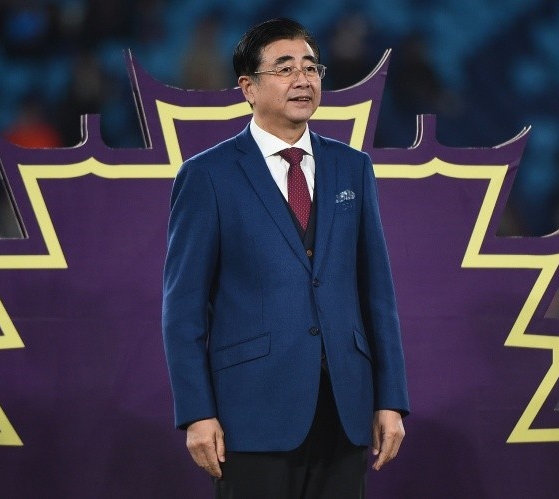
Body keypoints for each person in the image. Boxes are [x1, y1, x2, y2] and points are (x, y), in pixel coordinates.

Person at [162, 18, 409, 498]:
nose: (302, 79)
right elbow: (183, 308)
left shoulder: (353, 167)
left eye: (311, 67)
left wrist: (391, 398)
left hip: (345, 409)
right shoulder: (207, 175)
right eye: (285, 68)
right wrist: (196, 412)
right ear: (248, 88)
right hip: (250, 414)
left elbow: (378, 294)